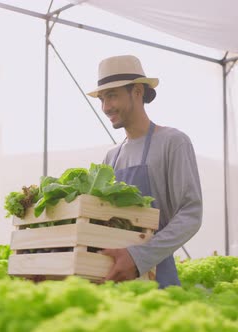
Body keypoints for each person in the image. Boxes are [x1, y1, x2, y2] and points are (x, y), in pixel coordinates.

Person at [87, 55, 203, 288]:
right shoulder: (112, 156)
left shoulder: (173, 142)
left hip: (157, 278)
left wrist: (138, 256)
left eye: (111, 96)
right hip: (114, 275)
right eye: (101, 99)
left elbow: (190, 214)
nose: (105, 107)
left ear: (137, 92)